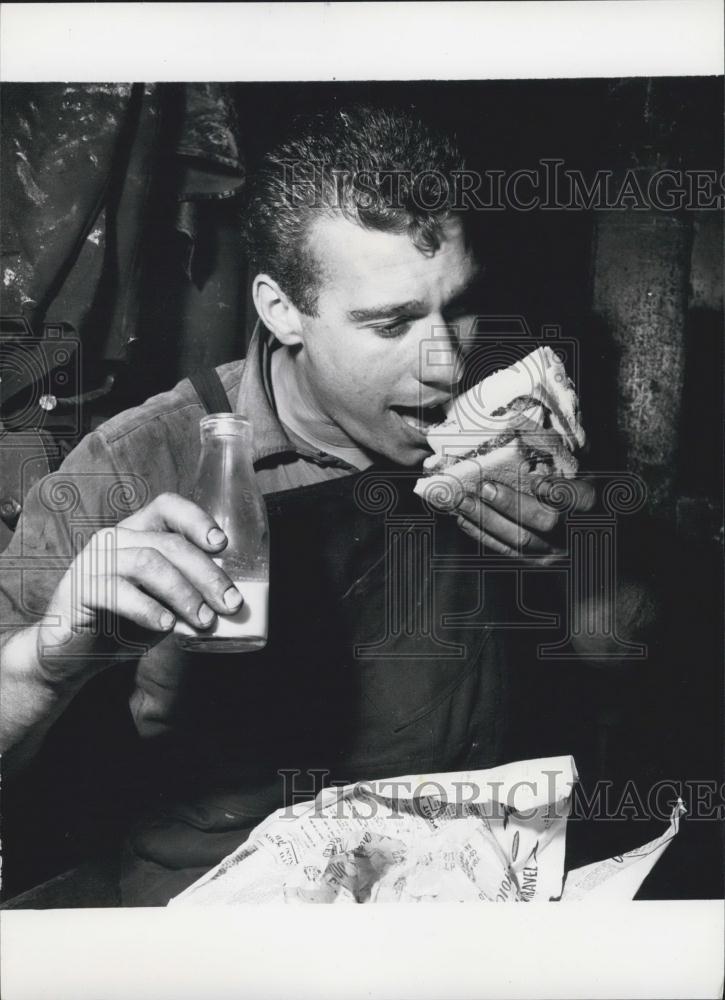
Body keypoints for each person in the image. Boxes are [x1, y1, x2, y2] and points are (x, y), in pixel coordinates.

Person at [0, 105, 643, 905]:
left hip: (471, 885)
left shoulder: (521, 419)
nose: (446, 361)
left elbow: (627, 672)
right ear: (279, 311)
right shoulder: (131, 466)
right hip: (216, 914)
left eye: (459, 303)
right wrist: (45, 663)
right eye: (390, 323)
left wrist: (584, 557)